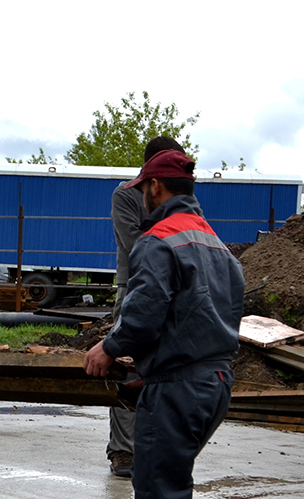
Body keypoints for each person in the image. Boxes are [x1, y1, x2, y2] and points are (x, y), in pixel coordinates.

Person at [84, 150, 244, 499]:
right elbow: (200, 316)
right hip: (213, 380)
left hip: (180, 387)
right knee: (170, 483)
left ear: (154, 188)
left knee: (156, 494)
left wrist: (110, 348)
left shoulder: (158, 241)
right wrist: (154, 374)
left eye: (142, 190)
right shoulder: (217, 245)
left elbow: (146, 309)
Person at [106, 138, 185, 478]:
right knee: (127, 367)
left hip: (174, 289)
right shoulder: (126, 194)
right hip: (135, 286)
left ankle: (154, 448)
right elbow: (133, 241)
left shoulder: (180, 198)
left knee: (166, 367)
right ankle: (123, 451)